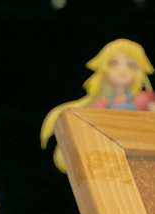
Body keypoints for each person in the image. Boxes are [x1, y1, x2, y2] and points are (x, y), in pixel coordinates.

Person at [40, 39, 155, 172]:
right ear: (104, 71)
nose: (122, 70)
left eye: (131, 66)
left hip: (139, 149)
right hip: (111, 151)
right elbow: (86, 121)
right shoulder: (103, 104)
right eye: (114, 64)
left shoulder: (141, 99)